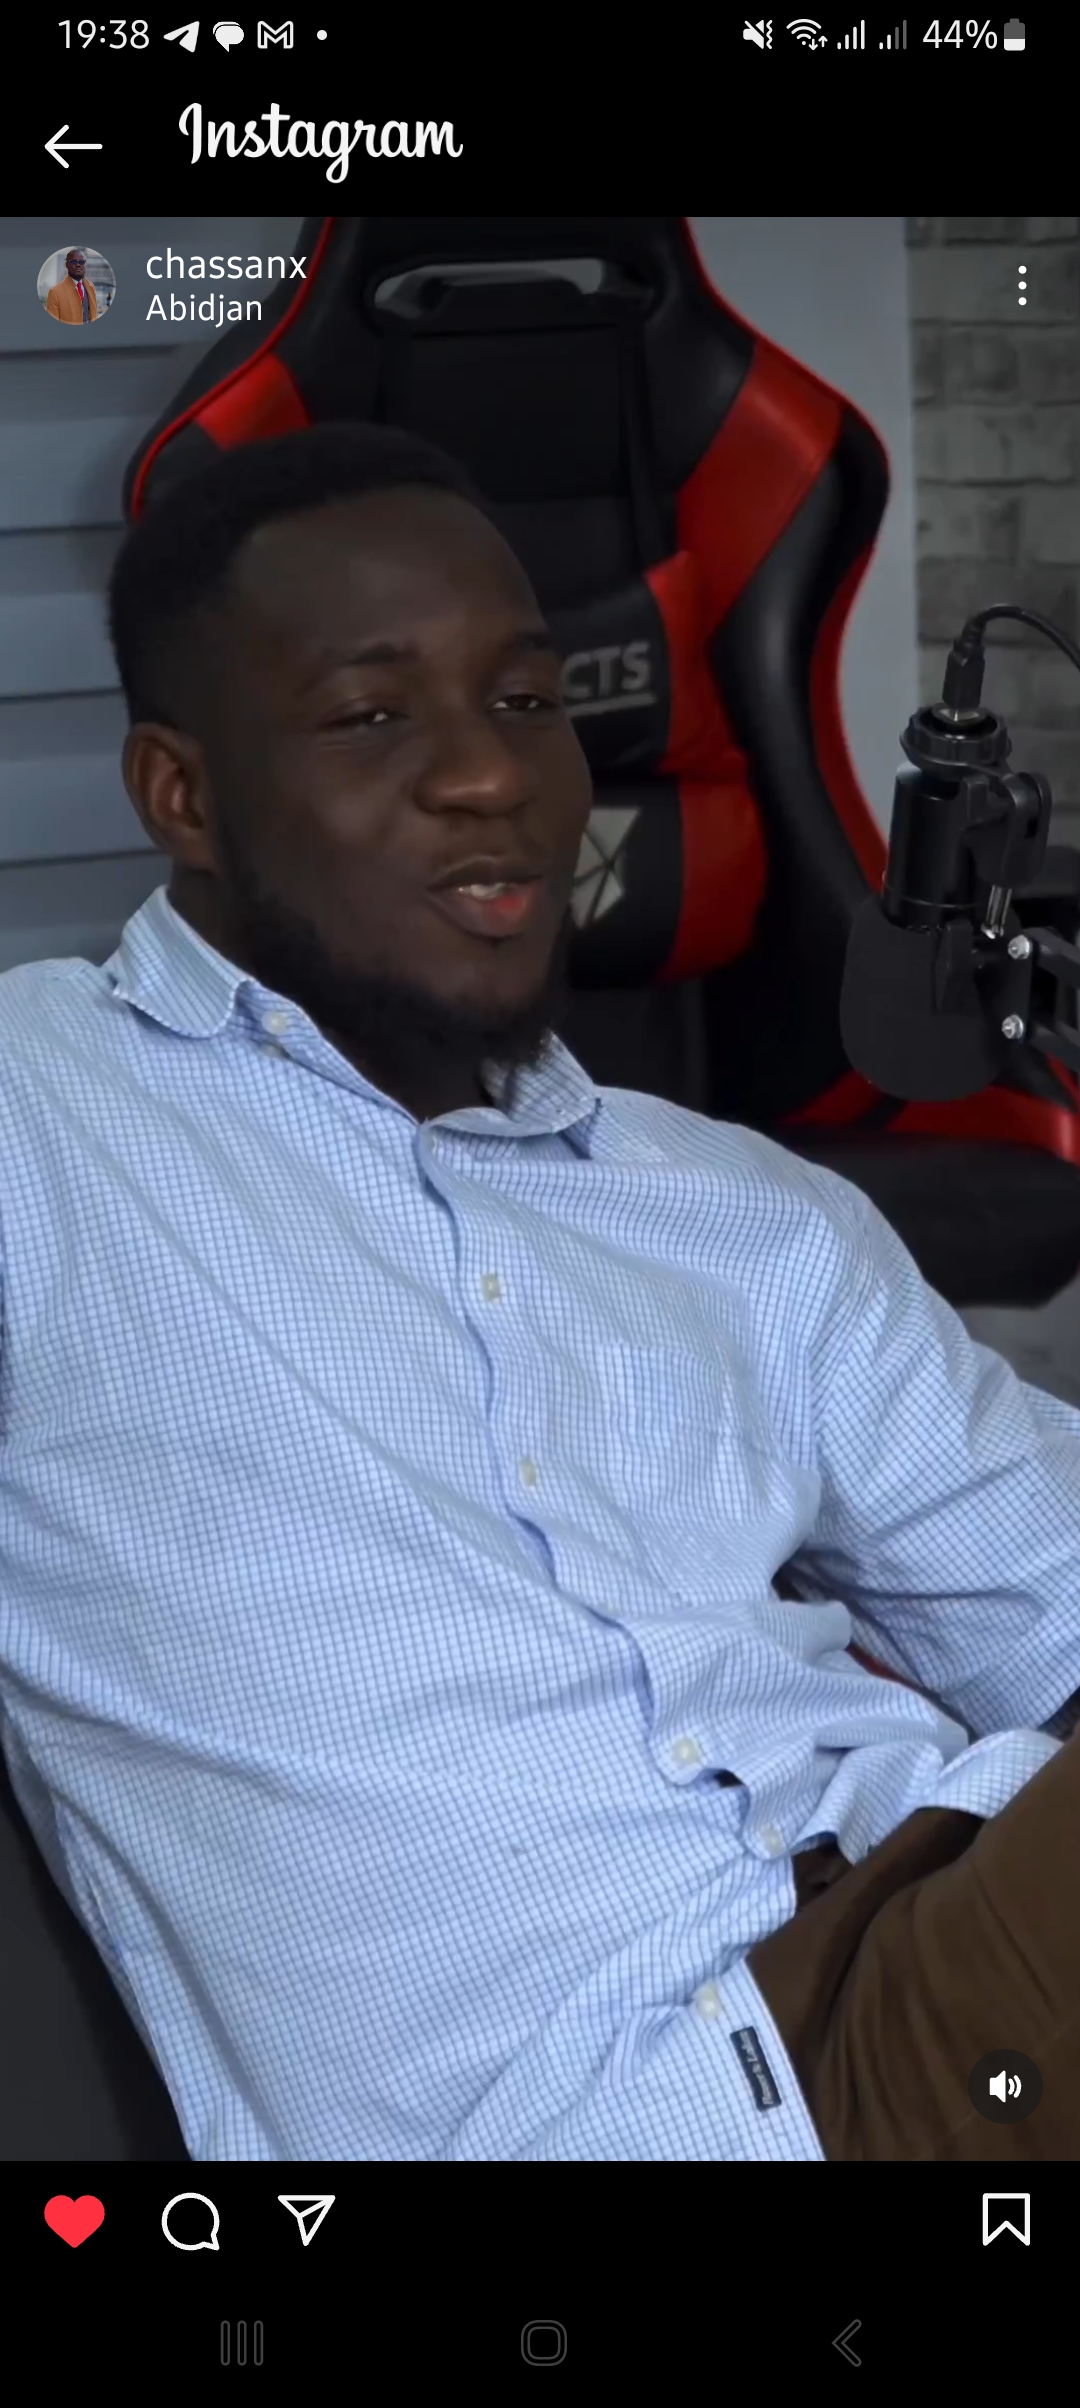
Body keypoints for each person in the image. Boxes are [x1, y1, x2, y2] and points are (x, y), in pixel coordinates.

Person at [1, 420, 1079, 2165]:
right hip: (676, 2098)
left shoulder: (742, 1214)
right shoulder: (43, 1117)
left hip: (943, 1927)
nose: (490, 775)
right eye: (372, 715)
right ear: (181, 795)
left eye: (526, 701)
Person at [45, 248, 99, 323]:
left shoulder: (91, 287)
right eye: (73, 262)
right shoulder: (54, 292)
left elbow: (94, 315)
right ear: (66, 265)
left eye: (81, 262)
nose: (78, 265)